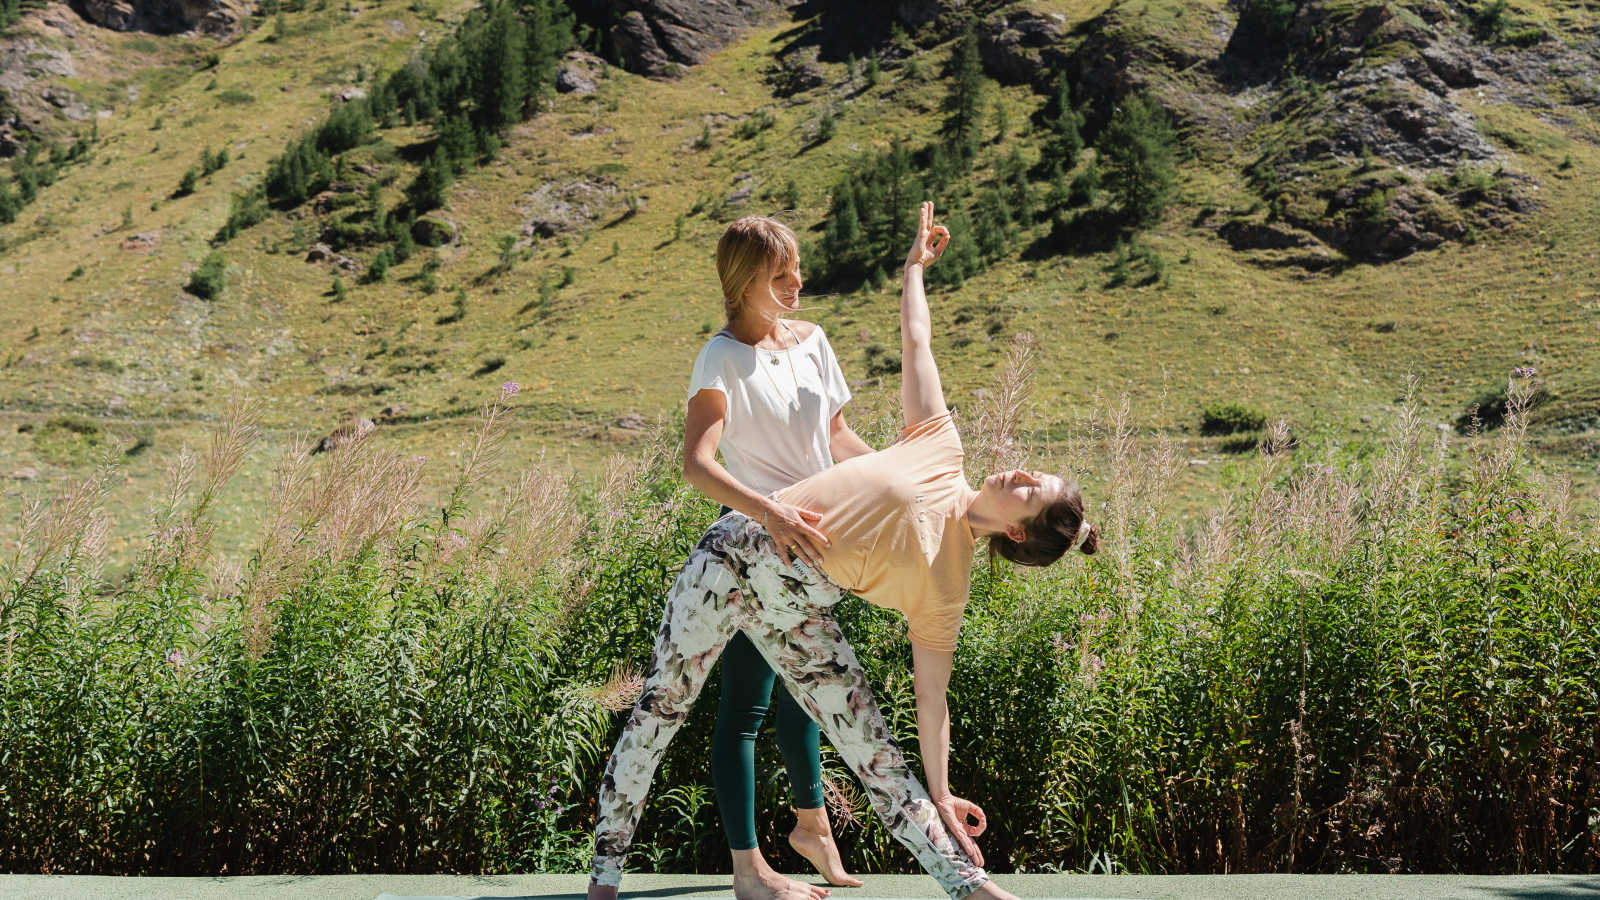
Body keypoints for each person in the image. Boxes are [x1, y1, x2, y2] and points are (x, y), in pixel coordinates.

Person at [587, 203, 1099, 900]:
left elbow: (932, 705)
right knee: (659, 712)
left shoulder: (946, 589)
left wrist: (944, 791)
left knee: (873, 748)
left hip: (800, 602)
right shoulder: (939, 448)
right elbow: (917, 344)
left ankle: (970, 885)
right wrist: (914, 269)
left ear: (1018, 531)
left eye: (1030, 489)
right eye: (1032, 469)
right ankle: (604, 880)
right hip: (735, 556)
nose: (1018, 471)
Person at [683, 215, 871, 897]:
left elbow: (839, 436)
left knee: (807, 693)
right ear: (745, 281)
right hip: (753, 550)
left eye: (797, 268)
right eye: (782, 272)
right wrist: (771, 511)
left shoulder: (814, 341)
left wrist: (895, 483)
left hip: (820, 547)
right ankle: (747, 871)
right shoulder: (720, 358)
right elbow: (697, 464)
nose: (799, 281)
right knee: (745, 708)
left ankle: (812, 827)